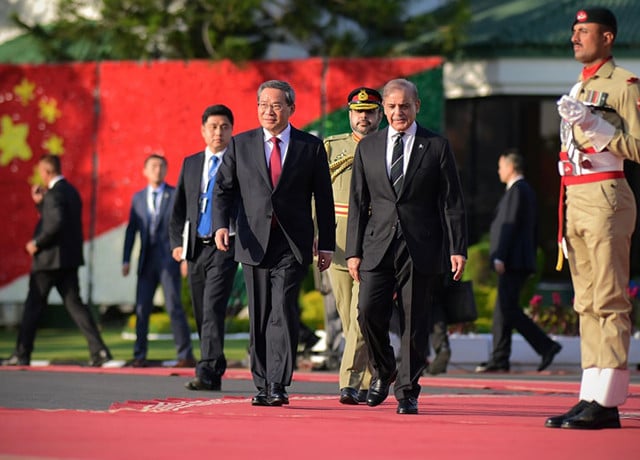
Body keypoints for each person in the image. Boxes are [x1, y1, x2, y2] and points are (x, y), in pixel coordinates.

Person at [345, 78, 467, 415]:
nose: (399, 111)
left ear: (417, 106)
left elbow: (452, 202)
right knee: (367, 312)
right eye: (393, 106)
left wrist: (458, 248)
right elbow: (358, 201)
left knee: (415, 321)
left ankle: (407, 391)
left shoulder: (437, 145)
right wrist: (353, 251)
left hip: (422, 246)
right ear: (383, 109)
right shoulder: (368, 147)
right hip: (376, 244)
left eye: (405, 105)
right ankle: (384, 370)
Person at [545, 7, 640, 430]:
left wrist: (603, 133)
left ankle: (609, 401)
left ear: (608, 38)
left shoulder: (624, 85)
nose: (575, 38)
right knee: (585, 304)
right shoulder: (578, 87)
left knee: (608, 299)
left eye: (584, 31)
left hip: (606, 194)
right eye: (574, 31)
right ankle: (590, 395)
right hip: (577, 196)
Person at [213, 80, 335, 406]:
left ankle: (279, 384)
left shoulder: (310, 147)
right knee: (260, 314)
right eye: (263, 105)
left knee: (281, 311)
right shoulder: (240, 145)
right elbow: (223, 190)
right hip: (253, 242)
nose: (269, 111)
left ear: (291, 109)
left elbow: (324, 198)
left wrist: (327, 244)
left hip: (292, 243)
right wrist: (220, 225)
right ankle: (262, 383)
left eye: (277, 105)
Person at [3, 154, 112, 367]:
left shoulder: (54, 194)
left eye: (41, 172)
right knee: (76, 307)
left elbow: (55, 223)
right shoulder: (71, 192)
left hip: (48, 262)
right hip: (68, 261)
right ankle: (99, 351)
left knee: (33, 308)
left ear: (46, 172)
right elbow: (59, 218)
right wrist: (41, 204)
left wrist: (37, 243)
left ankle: (21, 353)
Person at [169, 104, 239, 391]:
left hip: (225, 247)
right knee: (200, 311)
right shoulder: (192, 163)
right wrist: (177, 244)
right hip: (195, 246)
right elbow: (178, 209)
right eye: (213, 127)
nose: (218, 132)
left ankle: (207, 370)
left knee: (212, 307)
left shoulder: (239, 162)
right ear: (203, 130)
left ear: (231, 130)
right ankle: (214, 364)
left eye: (224, 127)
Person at [475, 150, 562, 374]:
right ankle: (500, 358)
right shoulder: (522, 190)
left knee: (508, 309)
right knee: (503, 310)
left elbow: (509, 225)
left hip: (513, 261)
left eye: (501, 166)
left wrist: (500, 255)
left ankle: (546, 346)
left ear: (511, 167)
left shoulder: (518, 190)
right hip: (517, 261)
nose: (498, 171)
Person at [324, 86, 384, 404]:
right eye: (358, 111)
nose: (364, 117)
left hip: (373, 243)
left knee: (362, 314)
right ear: (349, 114)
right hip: (337, 245)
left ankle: (348, 382)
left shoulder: (389, 147)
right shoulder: (332, 148)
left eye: (370, 111)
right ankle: (373, 377)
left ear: (380, 115)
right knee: (349, 320)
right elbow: (315, 196)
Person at [122, 154, 196, 368]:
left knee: (173, 306)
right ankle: (139, 354)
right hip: (146, 262)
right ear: (145, 171)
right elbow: (131, 231)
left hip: (169, 261)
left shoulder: (174, 195)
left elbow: (185, 226)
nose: (158, 170)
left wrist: (185, 258)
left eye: (162, 166)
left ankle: (185, 354)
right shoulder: (138, 198)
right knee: (142, 308)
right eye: (153, 166)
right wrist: (125, 259)